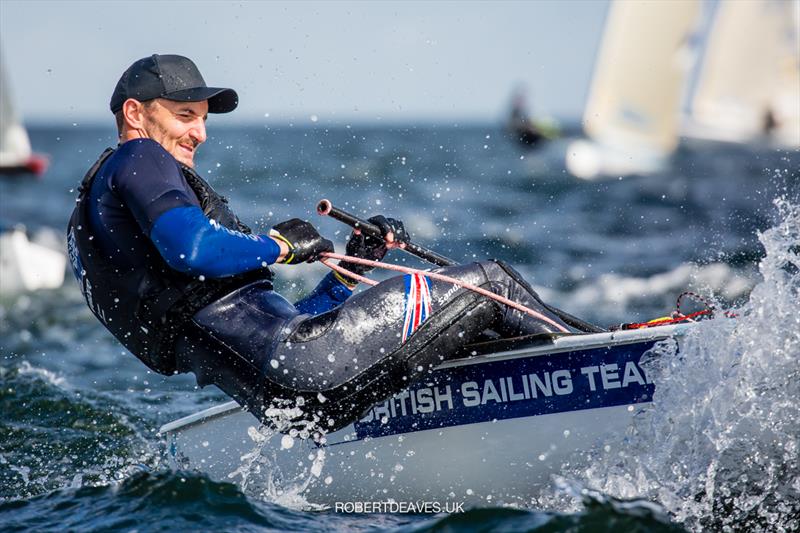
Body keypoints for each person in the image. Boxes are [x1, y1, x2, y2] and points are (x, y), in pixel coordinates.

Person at [68, 54, 597, 433]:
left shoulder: (101, 220)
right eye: (185, 116)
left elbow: (278, 328)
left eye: (203, 120)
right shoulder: (139, 157)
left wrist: (352, 267)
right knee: (489, 284)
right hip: (305, 369)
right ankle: (609, 359)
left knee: (461, 327)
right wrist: (279, 245)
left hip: (288, 403)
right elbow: (194, 250)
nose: (200, 134)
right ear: (136, 114)